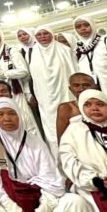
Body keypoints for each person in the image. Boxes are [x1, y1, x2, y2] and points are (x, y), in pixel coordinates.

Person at [0, 98, 95, 212]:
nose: (6, 118)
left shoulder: (34, 141)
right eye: (0, 114)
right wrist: (15, 210)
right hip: (8, 197)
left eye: (12, 114)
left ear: (20, 115)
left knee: (76, 202)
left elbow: (51, 179)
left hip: (38, 195)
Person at [27, 26, 78, 156]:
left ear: (52, 34)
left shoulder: (65, 50)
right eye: (39, 35)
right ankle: (57, 158)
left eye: (46, 33)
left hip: (65, 94)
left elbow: (74, 71)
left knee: (71, 124)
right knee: (51, 127)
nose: (42, 37)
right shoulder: (33, 53)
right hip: (46, 99)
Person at [55, 73, 97, 142]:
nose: (81, 89)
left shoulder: (104, 105)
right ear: (70, 89)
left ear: (95, 87)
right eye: (76, 86)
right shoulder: (66, 108)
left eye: (86, 85)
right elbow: (62, 139)